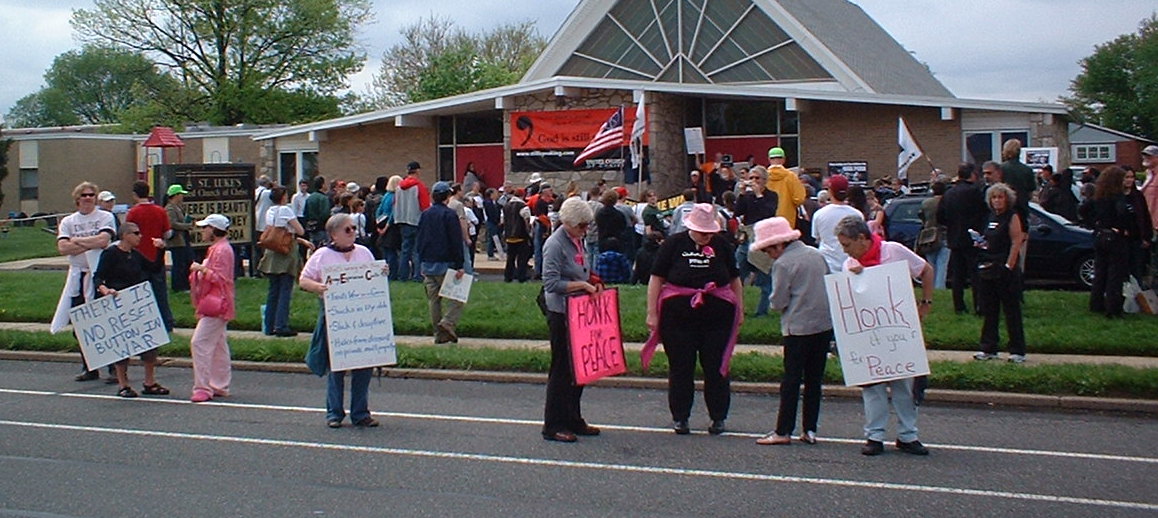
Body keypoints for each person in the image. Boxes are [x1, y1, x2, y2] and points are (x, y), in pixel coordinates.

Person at [835, 216, 934, 456]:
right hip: (870, 335)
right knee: (872, 386)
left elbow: (925, 270)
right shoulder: (849, 264)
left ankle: (908, 435)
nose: (845, 251)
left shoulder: (893, 251)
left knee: (904, 384)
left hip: (899, 331)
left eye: (847, 245)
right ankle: (874, 435)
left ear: (862, 238)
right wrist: (852, 277)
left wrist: (925, 303)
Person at [644, 203, 743, 436]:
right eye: (702, 232)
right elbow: (656, 278)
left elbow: (734, 279)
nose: (706, 236)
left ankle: (718, 416)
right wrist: (652, 312)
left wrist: (740, 310)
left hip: (716, 318)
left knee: (716, 368)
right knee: (681, 368)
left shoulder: (722, 246)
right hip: (678, 318)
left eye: (709, 232)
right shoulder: (673, 244)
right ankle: (680, 417)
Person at [750, 217, 831, 446]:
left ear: (779, 244)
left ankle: (783, 430)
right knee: (815, 379)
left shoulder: (783, 264)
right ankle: (810, 429)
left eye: (768, 250)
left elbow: (778, 301)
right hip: (823, 324)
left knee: (791, 380)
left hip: (797, 327)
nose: (769, 255)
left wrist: (776, 303)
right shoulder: (816, 255)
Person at [299, 213, 380, 428]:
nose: (353, 233)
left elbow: (374, 278)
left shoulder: (364, 252)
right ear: (334, 234)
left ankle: (360, 412)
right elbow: (303, 280)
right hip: (336, 317)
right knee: (337, 367)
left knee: (364, 366)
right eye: (347, 229)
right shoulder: (322, 255)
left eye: (354, 228)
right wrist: (319, 287)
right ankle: (334, 413)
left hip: (363, 317)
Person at [539, 197, 603, 442]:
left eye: (587, 225)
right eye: (581, 226)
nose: (585, 230)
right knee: (562, 370)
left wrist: (593, 280)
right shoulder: (554, 244)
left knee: (580, 370)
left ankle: (573, 418)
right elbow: (551, 283)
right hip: (561, 312)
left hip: (580, 312)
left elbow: (582, 269)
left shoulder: (578, 240)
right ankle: (553, 424)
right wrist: (582, 285)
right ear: (567, 223)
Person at [93, 222, 170, 398]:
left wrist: (160, 251)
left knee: (149, 344)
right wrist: (105, 290)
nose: (140, 236)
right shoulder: (111, 254)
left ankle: (149, 382)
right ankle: (123, 384)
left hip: (136, 304)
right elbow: (98, 277)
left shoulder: (135, 255)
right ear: (125, 235)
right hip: (119, 302)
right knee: (123, 345)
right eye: (136, 233)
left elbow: (153, 268)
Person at [53, 182, 116, 382]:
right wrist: (90, 242)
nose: (88, 198)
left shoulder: (105, 217)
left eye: (92, 195)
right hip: (78, 276)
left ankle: (114, 368)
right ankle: (89, 366)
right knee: (81, 323)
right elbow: (63, 248)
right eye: (84, 195)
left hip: (101, 276)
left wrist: (77, 242)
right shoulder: (68, 221)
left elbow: (104, 241)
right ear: (77, 198)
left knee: (107, 322)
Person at [972, 183, 1028, 362]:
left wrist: (1009, 265)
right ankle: (988, 347)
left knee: (1011, 310)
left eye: (1000, 197)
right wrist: (980, 243)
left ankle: (1017, 350)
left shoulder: (1012, 217)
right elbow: (989, 239)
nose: (997, 201)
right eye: (994, 197)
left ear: (1007, 199)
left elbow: (1016, 241)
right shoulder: (989, 217)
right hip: (988, 267)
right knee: (990, 310)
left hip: (1005, 268)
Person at [188, 214, 236, 403]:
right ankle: (219, 383)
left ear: (214, 229)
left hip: (216, 303)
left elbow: (220, 278)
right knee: (218, 344)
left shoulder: (221, 250)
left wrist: (201, 270)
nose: (203, 231)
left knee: (199, 342)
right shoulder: (219, 248)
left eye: (206, 227)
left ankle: (203, 387)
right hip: (219, 301)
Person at [1080, 167, 1136, 318]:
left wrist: (1095, 225)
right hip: (1115, 238)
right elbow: (1122, 214)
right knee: (1115, 274)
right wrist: (1123, 228)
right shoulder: (1118, 197)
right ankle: (1113, 308)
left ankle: (1096, 304)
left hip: (1100, 235)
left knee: (1100, 272)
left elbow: (1083, 209)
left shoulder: (1098, 196)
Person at [259, 186, 313, 337]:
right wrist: (300, 236)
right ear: (283, 197)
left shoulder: (270, 211)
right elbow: (299, 230)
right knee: (285, 290)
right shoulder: (286, 210)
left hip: (272, 251)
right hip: (286, 252)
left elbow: (275, 231)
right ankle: (281, 325)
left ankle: (269, 325)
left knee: (273, 290)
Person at [417, 181, 467, 343]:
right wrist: (460, 264)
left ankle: (439, 335)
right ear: (447, 196)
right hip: (446, 262)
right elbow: (455, 240)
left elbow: (420, 239)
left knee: (434, 301)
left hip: (427, 263)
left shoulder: (425, 214)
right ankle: (448, 322)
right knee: (457, 298)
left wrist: (420, 262)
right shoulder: (449, 214)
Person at [938, 163, 988, 315]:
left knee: (957, 275)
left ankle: (958, 306)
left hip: (954, 238)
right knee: (975, 275)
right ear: (972, 175)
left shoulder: (948, 194)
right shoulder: (975, 192)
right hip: (972, 238)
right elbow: (984, 213)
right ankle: (979, 305)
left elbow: (940, 216)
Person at [126, 181, 174, 332]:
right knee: (160, 293)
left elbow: (126, 233)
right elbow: (168, 233)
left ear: (135, 195)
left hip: (138, 258)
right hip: (157, 256)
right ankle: (166, 324)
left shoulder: (133, 213)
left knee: (139, 295)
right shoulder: (160, 211)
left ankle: (143, 324)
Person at [734, 166, 779, 317]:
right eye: (751, 178)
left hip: (763, 241)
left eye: (757, 178)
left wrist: (759, 195)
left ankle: (762, 312)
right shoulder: (747, 196)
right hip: (747, 240)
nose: (753, 181)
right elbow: (737, 212)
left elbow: (768, 213)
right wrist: (741, 194)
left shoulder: (771, 196)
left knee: (765, 278)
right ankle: (736, 309)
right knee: (736, 274)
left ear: (765, 180)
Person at [811, 174, 862, 274]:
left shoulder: (819, 214)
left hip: (828, 265)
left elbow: (816, 238)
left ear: (830, 191)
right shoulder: (857, 214)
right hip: (852, 265)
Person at [396, 162, 431, 282]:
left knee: (405, 250)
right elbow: (425, 206)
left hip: (402, 220)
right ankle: (417, 275)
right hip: (416, 220)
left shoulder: (399, 186)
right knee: (417, 250)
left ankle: (403, 275)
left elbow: (395, 204)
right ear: (417, 171)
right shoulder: (419, 186)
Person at [764, 147, 807, 228]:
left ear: (769, 159)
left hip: (766, 219)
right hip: (786, 219)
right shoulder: (791, 176)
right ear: (784, 159)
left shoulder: (762, 177)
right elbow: (799, 198)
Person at [919, 181, 951, 289]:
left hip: (928, 236)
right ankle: (940, 287)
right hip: (944, 234)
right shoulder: (947, 202)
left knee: (931, 264)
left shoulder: (926, 203)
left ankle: (930, 288)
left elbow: (922, 217)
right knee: (942, 265)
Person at [165, 185, 195, 293]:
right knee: (178, 263)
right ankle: (178, 286)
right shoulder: (170, 208)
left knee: (186, 261)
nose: (182, 196)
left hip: (183, 238)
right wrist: (186, 225)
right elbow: (171, 223)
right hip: (176, 240)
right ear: (176, 195)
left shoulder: (179, 207)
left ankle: (186, 284)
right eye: (181, 194)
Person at [375, 175, 404, 280]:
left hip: (382, 223)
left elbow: (379, 210)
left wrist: (378, 225)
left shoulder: (386, 195)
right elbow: (393, 213)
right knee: (393, 252)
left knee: (386, 251)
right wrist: (387, 226)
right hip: (392, 226)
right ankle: (393, 274)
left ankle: (387, 274)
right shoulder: (396, 197)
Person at [1141, 145, 1158, 285]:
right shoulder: (1148, 174)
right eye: (1145, 155)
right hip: (1147, 224)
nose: (1146, 158)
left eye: (1150, 156)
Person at [303, 176, 332, 247]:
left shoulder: (310, 198)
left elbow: (305, 213)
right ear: (322, 185)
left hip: (311, 228)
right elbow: (325, 214)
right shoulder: (323, 198)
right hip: (321, 228)